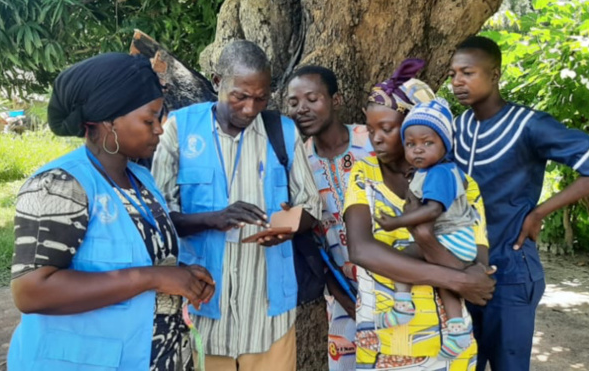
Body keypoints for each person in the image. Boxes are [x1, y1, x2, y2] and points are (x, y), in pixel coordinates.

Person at [8, 53, 216, 371]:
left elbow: (136, 254)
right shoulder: (60, 184)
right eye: (150, 119)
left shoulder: (140, 179)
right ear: (109, 121)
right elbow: (32, 292)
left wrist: (182, 276)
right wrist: (154, 277)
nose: (160, 129)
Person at [449, 35, 589, 370]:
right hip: (460, 270)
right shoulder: (457, 128)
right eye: (453, 74)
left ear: (495, 75)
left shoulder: (528, 125)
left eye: (468, 72)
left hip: (511, 268)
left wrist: (540, 211)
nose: (458, 81)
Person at [151, 40, 321, 371]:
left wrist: (285, 228)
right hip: (203, 310)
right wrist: (213, 219)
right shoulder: (180, 129)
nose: (250, 108)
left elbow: (311, 206)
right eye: (239, 96)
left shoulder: (282, 132)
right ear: (217, 82)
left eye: (261, 98)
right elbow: (158, 220)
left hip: (270, 312)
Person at [343, 58, 496, 370]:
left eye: (386, 129)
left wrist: (426, 240)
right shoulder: (364, 175)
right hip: (384, 345)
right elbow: (362, 250)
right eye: (370, 129)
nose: (375, 138)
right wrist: (455, 278)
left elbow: (477, 269)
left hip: (449, 348)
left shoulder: (462, 185)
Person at [373, 97, 489, 360]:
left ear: (445, 145)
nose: (418, 150)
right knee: (443, 282)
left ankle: (403, 304)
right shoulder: (429, 172)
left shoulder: (442, 172)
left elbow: (432, 211)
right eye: (411, 144)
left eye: (428, 143)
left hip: (453, 238)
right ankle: (458, 331)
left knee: (402, 259)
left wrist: (395, 223)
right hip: (452, 239)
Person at [285, 65, 375, 371]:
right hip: (341, 294)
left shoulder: (372, 142)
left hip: (398, 286)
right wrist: (342, 296)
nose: (302, 109)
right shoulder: (298, 163)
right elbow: (310, 240)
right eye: (294, 103)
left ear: (336, 100)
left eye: (312, 98)